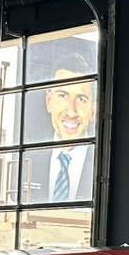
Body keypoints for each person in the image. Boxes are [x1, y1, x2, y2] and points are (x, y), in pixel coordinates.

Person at [39, 54, 95, 202]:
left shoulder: (105, 165)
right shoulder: (27, 162)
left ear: (93, 110)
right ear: (49, 101)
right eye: (63, 96)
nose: (71, 111)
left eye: (81, 99)